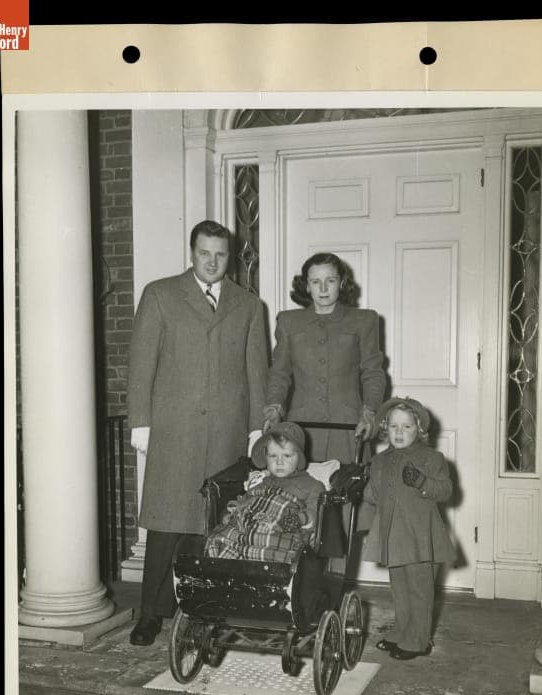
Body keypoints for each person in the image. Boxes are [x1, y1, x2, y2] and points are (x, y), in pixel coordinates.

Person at [127, 220, 268, 645]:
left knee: (213, 526)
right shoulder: (160, 294)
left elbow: (257, 373)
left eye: (220, 254)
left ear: (230, 256)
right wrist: (140, 423)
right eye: (205, 253)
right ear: (192, 252)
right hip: (173, 432)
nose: (212, 261)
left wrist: (258, 429)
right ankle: (151, 614)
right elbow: (141, 365)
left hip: (226, 434)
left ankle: (204, 613)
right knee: (167, 524)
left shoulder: (248, 306)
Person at [262, 252, 386, 464]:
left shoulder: (364, 321)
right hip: (301, 429)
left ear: (342, 283)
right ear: (307, 286)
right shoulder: (288, 322)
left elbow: (373, 372)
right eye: (315, 281)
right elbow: (279, 373)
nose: (323, 288)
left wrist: (369, 413)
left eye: (330, 280)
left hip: (349, 427)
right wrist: (274, 408)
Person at [361, 397, 456, 660]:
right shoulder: (381, 461)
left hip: (421, 537)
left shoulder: (432, 458)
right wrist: (360, 484)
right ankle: (402, 630)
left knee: (419, 589)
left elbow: (445, 491)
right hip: (394, 535)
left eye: (406, 427)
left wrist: (422, 481)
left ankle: (419, 639)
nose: (399, 432)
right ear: (385, 429)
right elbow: (374, 494)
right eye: (393, 427)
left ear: (420, 430)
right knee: (400, 588)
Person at [204, 422, 324, 563]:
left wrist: (300, 518)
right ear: (265, 457)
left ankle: (252, 561)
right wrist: (232, 510)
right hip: (249, 530)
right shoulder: (261, 483)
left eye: (286, 456)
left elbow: (316, 513)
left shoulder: (312, 485)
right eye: (273, 456)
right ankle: (226, 567)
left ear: (299, 458)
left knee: (270, 540)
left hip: (280, 533)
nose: (279, 462)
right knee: (218, 536)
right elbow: (244, 501)